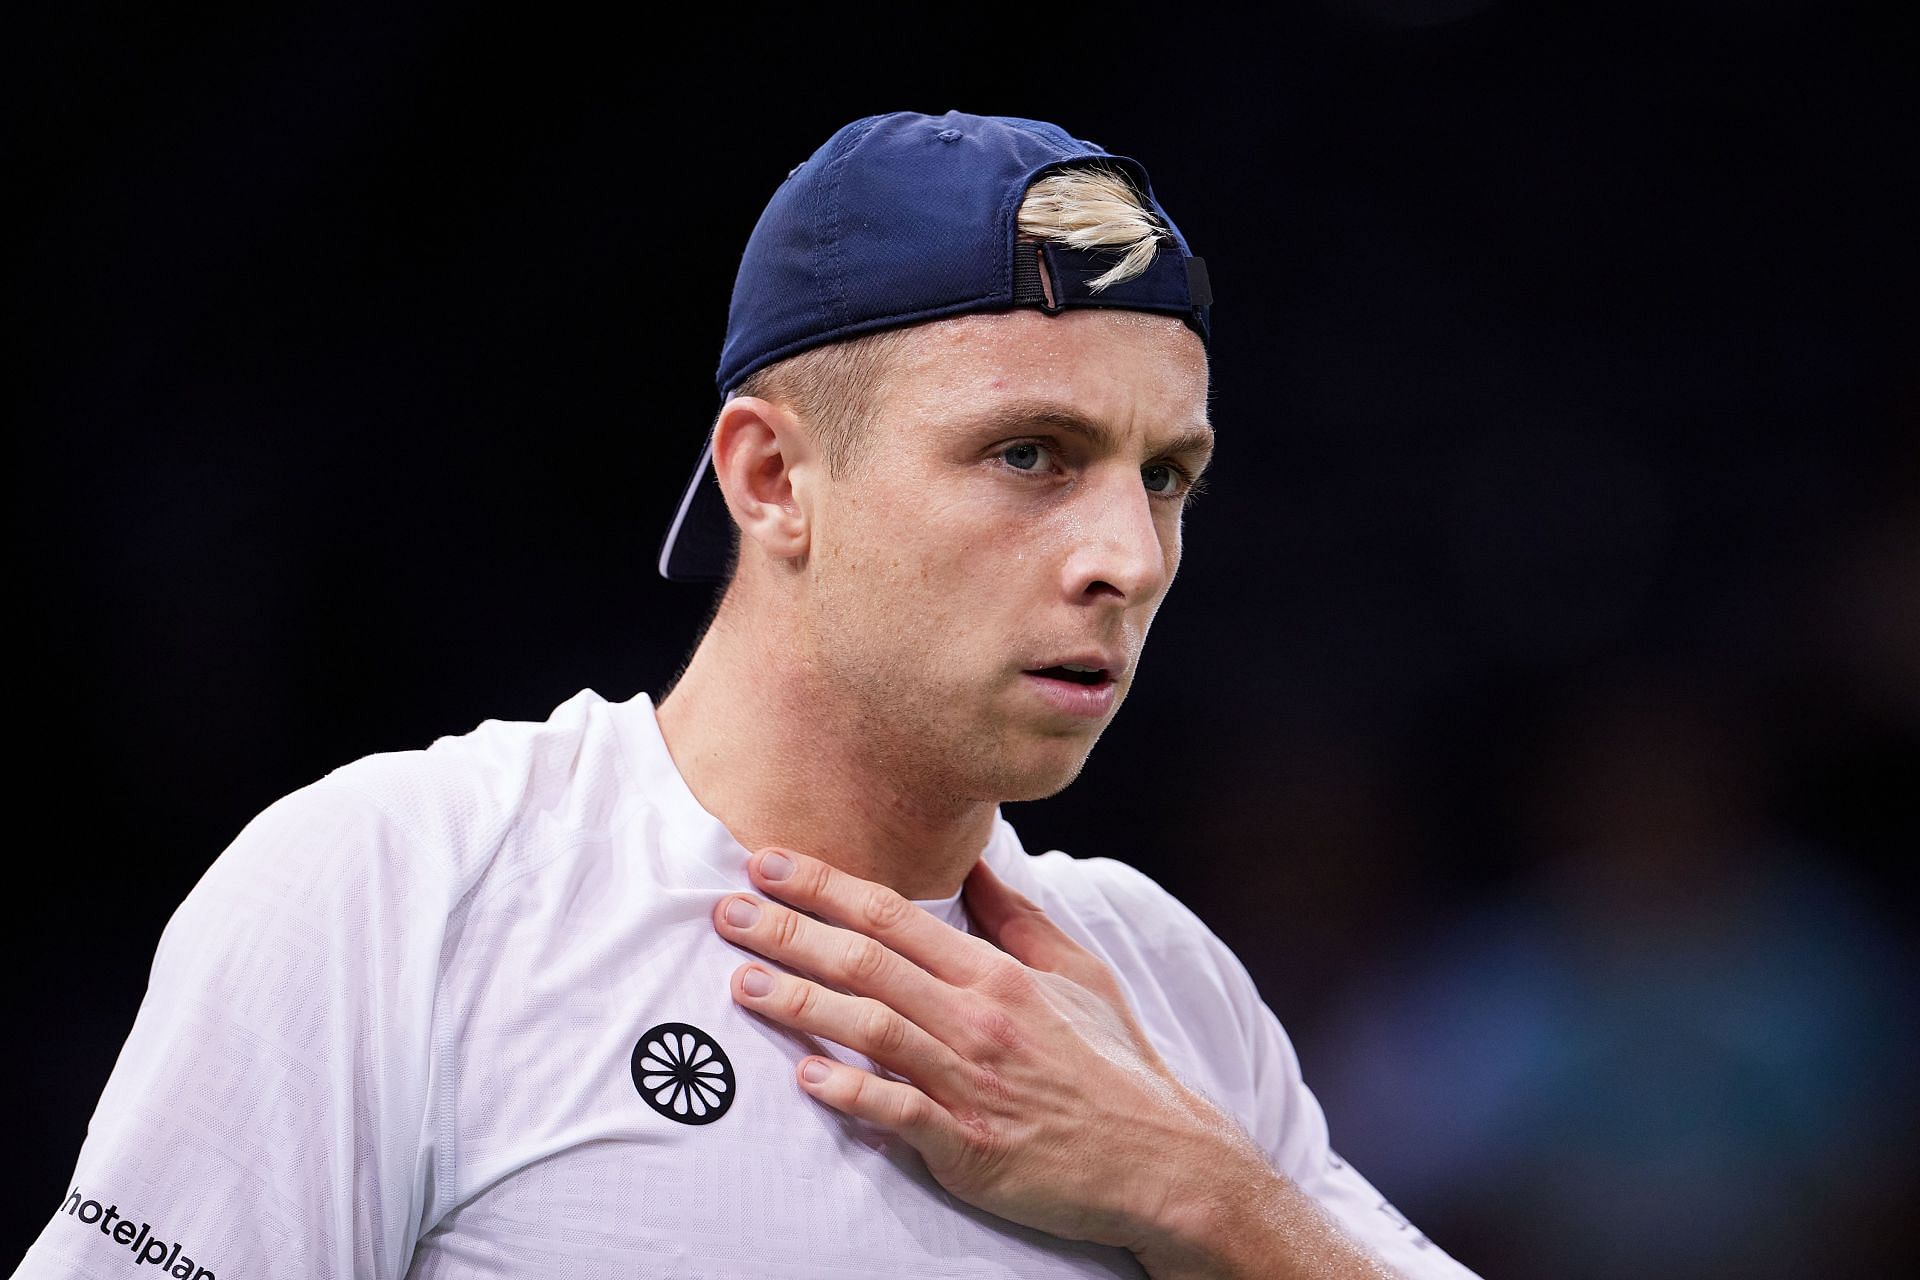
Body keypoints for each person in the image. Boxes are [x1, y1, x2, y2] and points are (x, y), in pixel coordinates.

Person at [15, 110, 1480, 1279]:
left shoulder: (1151, 986)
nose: (1126, 556)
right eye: (1031, 453)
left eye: (1168, 476)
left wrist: (1202, 1194)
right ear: (774, 477)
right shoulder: (412, 886)